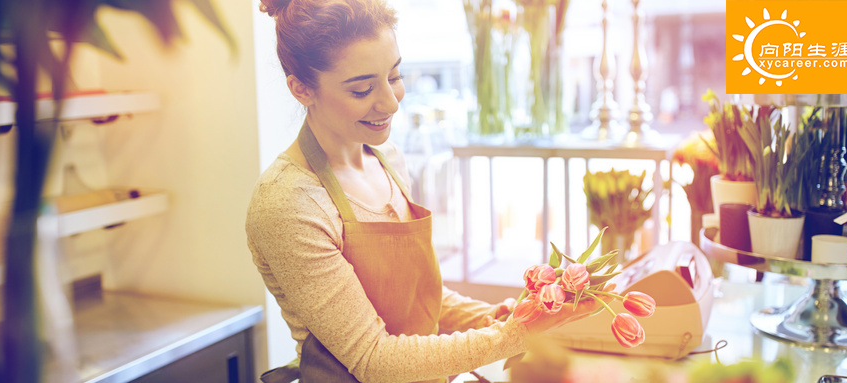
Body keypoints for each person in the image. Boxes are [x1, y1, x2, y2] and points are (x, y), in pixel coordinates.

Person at [246, 0, 603, 382]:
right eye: (363, 89)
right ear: (301, 88)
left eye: (395, 76)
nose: (390, 102)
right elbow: (374, 359)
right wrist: (512, 335)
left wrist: (493, 317)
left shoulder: (387, 158)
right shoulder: (287, 205)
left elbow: (419, 300)